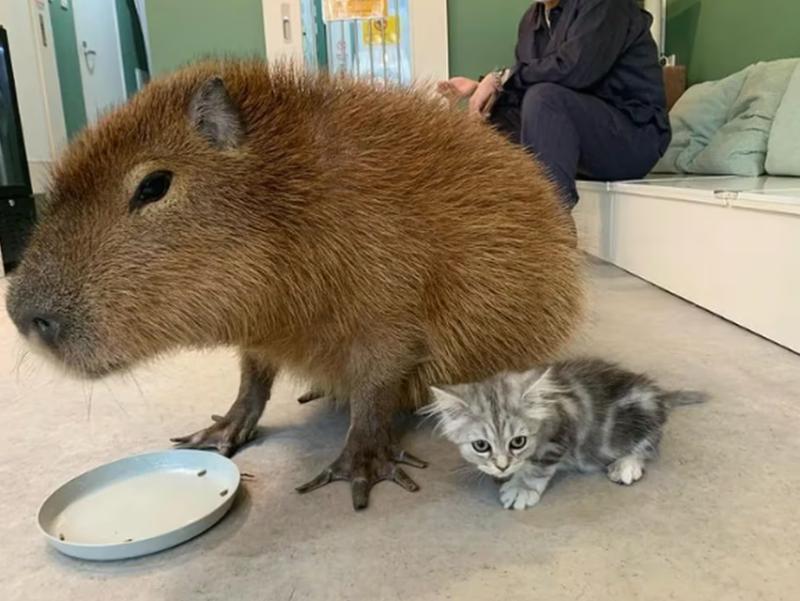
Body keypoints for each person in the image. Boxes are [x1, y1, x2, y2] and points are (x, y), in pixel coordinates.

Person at [439, 0, 670, 209]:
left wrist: (502, 78)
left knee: (544, 99)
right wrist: (485, 90)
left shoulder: (604, 5)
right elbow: (526, 81)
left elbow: (575, 71)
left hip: (634, 138)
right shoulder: (532, 20)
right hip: (580, 132)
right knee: (497, 115)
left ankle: (551, 225)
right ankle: (490, 219)